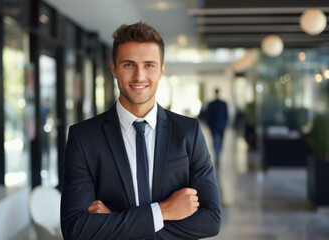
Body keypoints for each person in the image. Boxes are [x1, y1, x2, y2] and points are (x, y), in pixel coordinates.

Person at [61, 21, 221, 240]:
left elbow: (211, 220)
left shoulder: (188, 132)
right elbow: (76, 228)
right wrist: (163, 211)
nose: (139, 76)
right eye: (128, 64)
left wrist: (116, 222)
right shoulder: (83, 138)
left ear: (162, 69)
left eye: (149, 65)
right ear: (114, 68)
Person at [205, 88, 228, 168]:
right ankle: (217, 156)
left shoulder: (214, 103)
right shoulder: (221, 103)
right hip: (217, 125)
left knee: (217, 141)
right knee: (217, 141)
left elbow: (226, 115)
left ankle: (217, 155)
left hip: (216, 125)